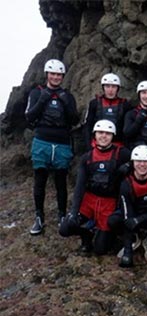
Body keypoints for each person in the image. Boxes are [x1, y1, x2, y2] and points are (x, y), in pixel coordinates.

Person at [25, 58, 80, 235]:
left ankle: (62, 216)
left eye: (59, 74)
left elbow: (74, 120)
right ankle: (39, 218)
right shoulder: (36, 93)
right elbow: (29, 116)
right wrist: (42, 100)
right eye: (53, 74)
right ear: (47, 74)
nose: (55, 77)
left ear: (62, 76)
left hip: (62, 142)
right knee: (40, 180)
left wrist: (65, 101)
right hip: (42, 140)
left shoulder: (68, 95)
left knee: (60, 181)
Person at [59, 120, 131, 255]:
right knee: (65, 228)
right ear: (95, 135)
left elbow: (139, 161)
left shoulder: (122, 154)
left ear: (113, 136)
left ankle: (107, 234)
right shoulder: (87, 157)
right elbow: (80, 186)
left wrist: (128, 166)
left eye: (108, 133)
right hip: (89, 202)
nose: (104, 136)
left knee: (100, 249)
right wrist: (74, 212)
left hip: (109, 204)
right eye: (100, 133)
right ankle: (86, 235)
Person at [108, 145, 147, 268]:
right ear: (132, 163)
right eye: (138, 161)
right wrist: (127, 252)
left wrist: (139, 220)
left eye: (146, 161)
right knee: (113, 221)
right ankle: (133, 240)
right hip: (133, 213)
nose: (142, 165)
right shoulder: (126, 183)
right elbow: (127, 215)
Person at [83, 73, 130, 149]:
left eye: (113, 87)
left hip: (118, 145)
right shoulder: (94, 103)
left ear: (118, 88)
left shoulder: (125, 105)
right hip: (97, 145)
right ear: (103, 87)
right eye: (107, 86)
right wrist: (89, 146)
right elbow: (88, 125)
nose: (110, 90)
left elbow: (127, 129)